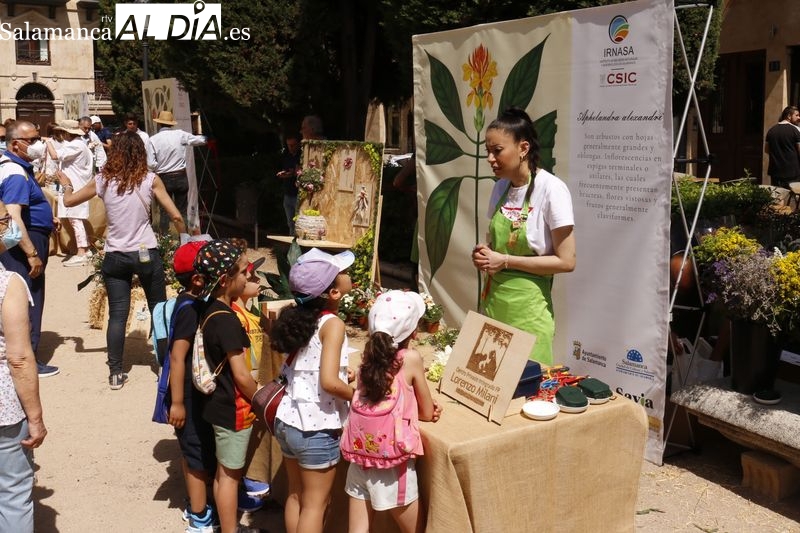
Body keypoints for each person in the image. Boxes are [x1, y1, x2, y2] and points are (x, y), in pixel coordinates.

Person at [59, 131, 186, 389]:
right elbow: (175, 216)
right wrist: (186, 235)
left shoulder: (102, 180)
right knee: (158, 310)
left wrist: (67, 184)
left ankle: (116, 372)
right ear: (141, 153)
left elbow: (70, 201)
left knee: (117, 314)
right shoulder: (151, 179)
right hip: (146, 251)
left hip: (115, 254)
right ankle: (164, 366)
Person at [471, 107, 575, 365]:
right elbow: (493, 244)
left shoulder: (553, 190)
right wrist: (484, 254)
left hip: (529, 310)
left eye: (497, 151)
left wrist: (505, 261)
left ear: (523, 148)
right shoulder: (500, 188)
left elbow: (566, 262)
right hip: (495, 302)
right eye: (488, 151)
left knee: (526, 387)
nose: (490, 158)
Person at [269, 248, 355, 533]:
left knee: (296, 494)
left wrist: (345, 373)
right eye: (342, 273)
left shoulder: (300, 317)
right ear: (333, 293)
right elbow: (329, 382)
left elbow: (310, 364)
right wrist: (358, 397)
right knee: (316, 504)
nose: (348, 275)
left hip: (288, 420)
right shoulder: (333, 324)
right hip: (315, 427)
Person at [342, 290, 442, 533]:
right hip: (392, 466)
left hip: (360, 456)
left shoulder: (368, 356)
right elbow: (427, 412)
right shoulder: (409, 358)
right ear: (414, 332)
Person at [193, 239, 264, 533]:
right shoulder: (229, 322)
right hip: (234, 408)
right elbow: (242, 375)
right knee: (230, 475)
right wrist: (264, 400)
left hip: (218, 405)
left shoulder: (210, 309)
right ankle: (230, 529)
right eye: (243, 273)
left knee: (224, 472)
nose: (248, 278)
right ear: (225, 280)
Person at [165, 240, 219, 533]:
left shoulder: (193, 301)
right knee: (195, 453)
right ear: (198, 279)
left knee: (197, 450)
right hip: (185, 393)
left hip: (192, 392)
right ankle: (199, 517)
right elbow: (177, 355)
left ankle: (202, 506)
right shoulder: (188, 308)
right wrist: (177, 402)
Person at [0, 121, 60, 377]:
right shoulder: (14, 172)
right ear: (16, 144)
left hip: (29, 240)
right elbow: (12, 219)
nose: (39, 144)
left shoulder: (16, 168)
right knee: (29, 299)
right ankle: (29, 359)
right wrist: (31, 254)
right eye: (33, 140)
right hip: (25, 246)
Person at [0, 268, 47, 533]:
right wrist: (36, 418)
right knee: (13, 495)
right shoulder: (8, 283)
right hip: (4, 406)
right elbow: (18, 359)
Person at [146, 110, 207, 234]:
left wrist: (160, 166)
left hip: (164, 178)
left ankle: (165, 238)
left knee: (164, 210)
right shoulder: (180, 134)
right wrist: (205, 137)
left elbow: (151, 164)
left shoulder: (152, 140)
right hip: (181, 176)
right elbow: (201, 140)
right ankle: (183, 237)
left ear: (159, 124)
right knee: (182, 209)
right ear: (171, 124)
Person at [46, 120, 94, 266]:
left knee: (75, 219)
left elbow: (54, 155)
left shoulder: (76, 145)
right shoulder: (78, 144)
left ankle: (82, 251)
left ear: (67, 133)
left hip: (75, 187)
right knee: (75, 219)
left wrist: (47, 141)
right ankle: (84, 249)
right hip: (74, 186)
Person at [764, 106, 800, 189]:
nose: (799, 117)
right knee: (792, 198)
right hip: (792, 173)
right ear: (789, 116)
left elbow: (766, 150)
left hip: (775, 172)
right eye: (797, 115)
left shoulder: (771, 130)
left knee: (778, 197)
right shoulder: (795, 130)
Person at [276, 134, 300, 235]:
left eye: (293, 145)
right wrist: (283, 173)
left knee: (298, 223)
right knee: (290, 223)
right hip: (288, 193)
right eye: (289, 145)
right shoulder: (287, 156)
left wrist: (290, 174)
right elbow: (287, 170)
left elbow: (297, 172)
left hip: (297, 194)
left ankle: (297, 246)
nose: (291, 147)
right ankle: (292, 244)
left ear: (298, 144)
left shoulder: (301, 156)